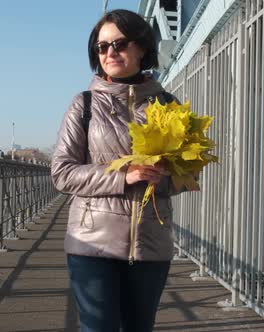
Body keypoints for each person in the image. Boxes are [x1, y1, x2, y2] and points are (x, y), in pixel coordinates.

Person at [51, 9, 182, 332]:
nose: (110, 52)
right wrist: (125, 177)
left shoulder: (167, 105)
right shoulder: (84, 105)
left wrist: (165, 176)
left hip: (150, 242)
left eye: (120, 44)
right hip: (92, 242)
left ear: (142, 48)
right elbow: (62, 172)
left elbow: (184, 176)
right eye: (102, 46)